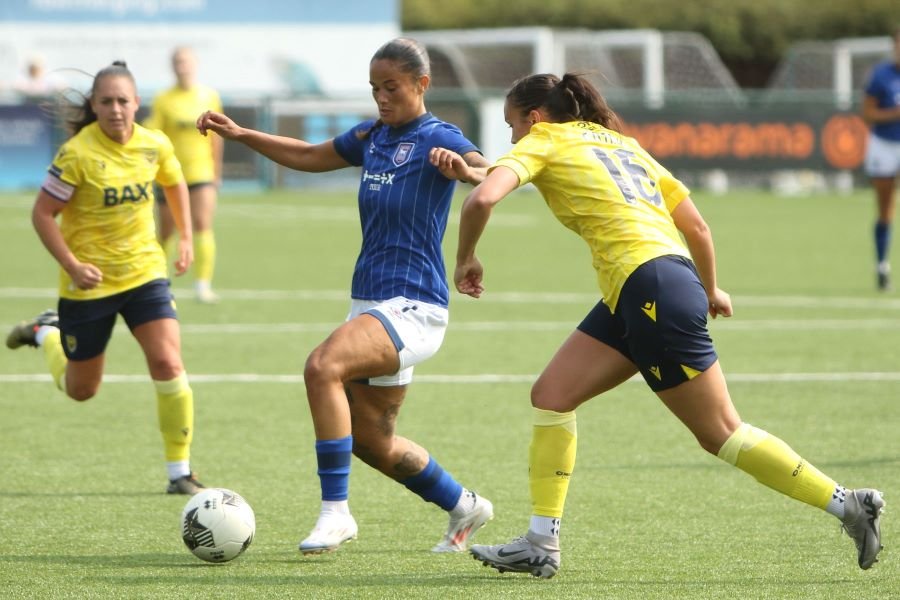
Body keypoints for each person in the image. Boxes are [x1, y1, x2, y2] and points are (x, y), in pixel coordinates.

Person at [433, 72, 885, 578]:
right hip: (653, 284)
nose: (514, 137)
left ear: (535, 118)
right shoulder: (621, 144)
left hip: (646, 288)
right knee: (552, 395)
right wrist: (710, 288)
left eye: (512, 125)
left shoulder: (544, 139)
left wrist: (466, 258)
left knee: (721, 432)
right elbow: (696, 225)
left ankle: (848, 503)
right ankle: (541, 542)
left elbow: (483, 200)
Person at [196, 37, 494, 555]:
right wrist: (243, 134)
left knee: (322, 367)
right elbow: (311, 155)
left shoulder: (438, 135)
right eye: (375, 88)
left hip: (414, 304)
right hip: (370, 302)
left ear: (421, 85)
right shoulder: (373, 136)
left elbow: (489, 174)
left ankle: (336, 515)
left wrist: (467, 172)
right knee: (372, 443)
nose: (381, 97)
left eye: (392, 87)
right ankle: (464, 505)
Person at [5, 60, 207, 495]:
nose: (116, 109)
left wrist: (186, 238)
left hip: (144, 275)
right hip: (89, 286)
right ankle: (45, 333)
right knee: (81, 390)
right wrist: (73, 266)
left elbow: (174, 184)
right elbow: (42, 214)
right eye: (106, 101)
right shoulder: (77, 153)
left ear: (137, 103)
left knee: (169, 363)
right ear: (94, 106)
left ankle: (179, 472)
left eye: (123, 100)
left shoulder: (155, 145)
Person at [145, 47, 224, 303]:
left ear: (195, 64)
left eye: (186, 61)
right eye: (178, 61)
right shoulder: (163, 98)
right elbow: (153, 134)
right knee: (166, 231)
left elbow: (218, 137)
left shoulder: (209, 96)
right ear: (172, 66)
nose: (182, 66)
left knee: (202, 225)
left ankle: (203, 284)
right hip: (169, 173)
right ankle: (159, 282)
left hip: (200, 171)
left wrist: (216, 171)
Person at [861, 28, 900, 292]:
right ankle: (882, 265)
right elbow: (869, 113)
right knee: (885, 209)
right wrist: (895, 113)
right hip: (884, 145)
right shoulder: (881, 75)